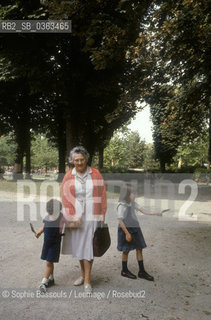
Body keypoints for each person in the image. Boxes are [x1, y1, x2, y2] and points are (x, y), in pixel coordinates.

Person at [61, 146, 107, 293]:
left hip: (92, 215)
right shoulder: (69, 175)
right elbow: (65, 197)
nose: (79, 163)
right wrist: (72, 216)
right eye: (76, 160)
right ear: (72, 161)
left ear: (87, 159)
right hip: (77, 217)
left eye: (82, 159)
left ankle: (87, 279)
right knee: (79, 246)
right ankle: (82, 274)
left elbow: (102, 194)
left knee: (89, 246)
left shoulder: (96, 174)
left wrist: (102, 213)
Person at [117, 183, 165, 281]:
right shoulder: (122, 205)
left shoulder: (133, 203)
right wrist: (127, 233)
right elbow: (120, 221)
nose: (135, 195)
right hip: (126, 230)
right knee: (126, 250)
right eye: (133, 193)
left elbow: (144, 211)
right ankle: (124, 270)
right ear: (126, 194)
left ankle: (141, 271)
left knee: (139, 248)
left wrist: (156, 213)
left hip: (135, 228)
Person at [35, 199, 81, 293]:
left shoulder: (61, 217)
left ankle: (43, 282)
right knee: (49, 261)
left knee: (49, 262)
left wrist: (77, 224)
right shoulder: (47, 216)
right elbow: (44, 225)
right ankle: (51, 278)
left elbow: (69, 224)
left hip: (55, 244)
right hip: (47, 243)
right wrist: (39, 232)